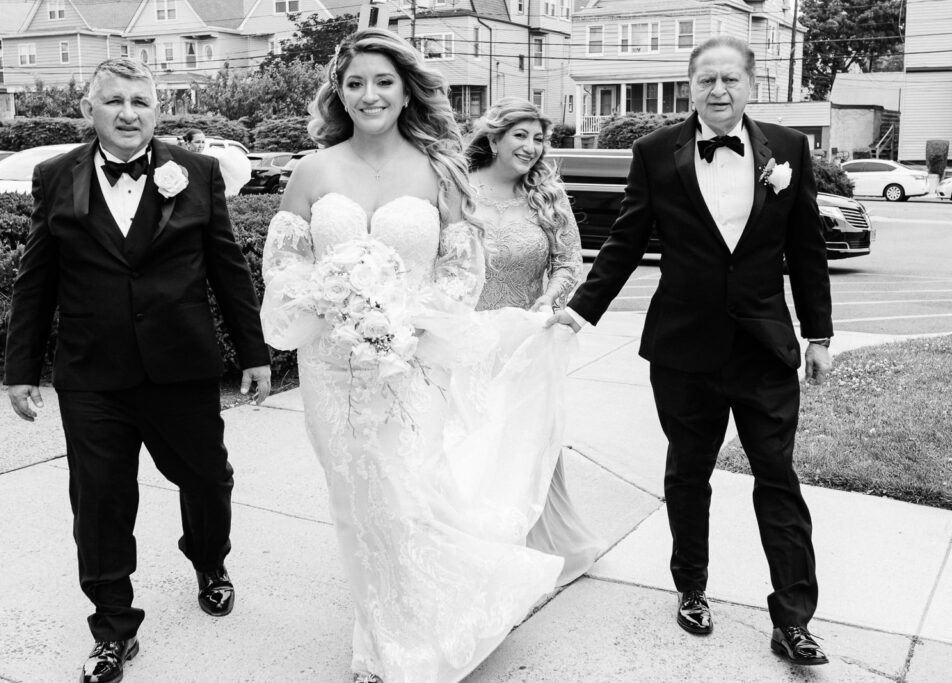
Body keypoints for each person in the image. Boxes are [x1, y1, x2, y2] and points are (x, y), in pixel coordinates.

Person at [261, 28, 575, 682]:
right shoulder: (313, 171)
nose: (369, 94)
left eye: (383, 81)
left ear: (406, 90)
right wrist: (330, 298)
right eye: (355, 83)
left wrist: (405, 323)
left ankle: (414, 638)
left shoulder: (439, 170)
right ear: (338, 94)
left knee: (405, 498)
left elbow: (462, 269)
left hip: (414, 363)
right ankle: (376, 642)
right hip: (333, 368)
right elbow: (286, 261)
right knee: (355, 503)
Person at [547, 35, 834, 665]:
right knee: (688, 472)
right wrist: (578, 312)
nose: (719, 91)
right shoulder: (654, 153)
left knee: (778, 479)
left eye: (731, 79)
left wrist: (818, 333)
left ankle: (793, 618)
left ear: (751, 84)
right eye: (706, 80)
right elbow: (625, 241)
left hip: (764, 348)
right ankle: (692, 589)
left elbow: (807, 248)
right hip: (683, 350)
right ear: (690, 86)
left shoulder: (789, 149)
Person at [4, 58, 272, 683]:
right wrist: (22, 366)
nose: (129, 113)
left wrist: (255, 353)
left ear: (158, 109)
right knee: (98, 501)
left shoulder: (198, 173)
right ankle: (113, 628)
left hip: (181, 367)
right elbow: (36, 276)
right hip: (92, 373)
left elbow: (227, 268)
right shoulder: (55, 176)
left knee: (207, 480)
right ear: (88, 109)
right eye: (114, 101)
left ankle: (209, 560)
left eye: (141, 102)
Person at [465, 96, 603, 585]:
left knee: (526, 440)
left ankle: (533, 540)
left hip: (527, 341)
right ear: (495, 138)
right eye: (520, 135)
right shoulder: (457, 189)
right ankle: (472, 539)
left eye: (539, 138)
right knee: (471, 440)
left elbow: (569, 261)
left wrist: (547, 302)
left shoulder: (547, 193)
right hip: (470, 340)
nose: (531, 147)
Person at [181, 127, 252, 196]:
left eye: (203, 142)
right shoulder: (181, 159)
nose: (201, 145)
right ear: (188, 143)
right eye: (197, 142)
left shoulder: (210, 159)